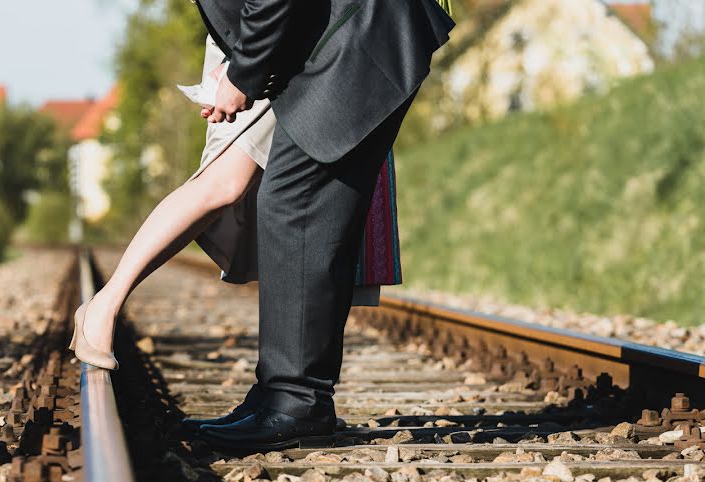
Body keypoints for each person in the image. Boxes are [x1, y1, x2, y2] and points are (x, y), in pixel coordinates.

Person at [69, 19, 412, 372]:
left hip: (339, 34)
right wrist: (246, 66)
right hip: (279, 32)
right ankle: (104, 305)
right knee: (225, 180)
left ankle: (301, 394)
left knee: (335, 196)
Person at [187, 0, 455, 450]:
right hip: (349, 33)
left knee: (295, 202)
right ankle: (282, 393)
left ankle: (298, 403)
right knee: (299, 202)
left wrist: (244, 74)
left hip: (364, 31)